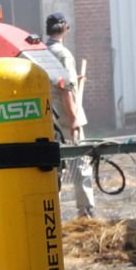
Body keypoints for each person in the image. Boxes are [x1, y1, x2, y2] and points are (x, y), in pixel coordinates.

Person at [45, 12, 95, 218]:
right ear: (65, 27)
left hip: (50, 117)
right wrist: (74, 119)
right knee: (80, 161)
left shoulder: (43, 51)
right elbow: (65, 88)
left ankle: (52, 212)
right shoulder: (63, 54)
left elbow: (57, 81)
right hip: (66, 117)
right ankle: (85, 211)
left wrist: (75, 77)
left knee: (53, 166)